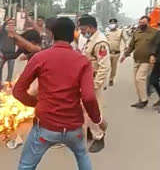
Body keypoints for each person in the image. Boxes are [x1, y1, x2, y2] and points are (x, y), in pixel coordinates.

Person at [13, 17, 107, 170]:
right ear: (73, 35)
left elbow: (18, 91)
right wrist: (98, 120)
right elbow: (89, 97)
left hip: (45, 127)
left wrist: (37, 103)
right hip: (73, 128)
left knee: (26, 165)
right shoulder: (82, 61)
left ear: (52, 35)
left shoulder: (40, 58)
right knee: (82, 156)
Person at [78, 15, 110, 153]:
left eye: (82, 28)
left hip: (93, 80)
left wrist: (95, 84)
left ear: (90, 27)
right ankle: (95, 129)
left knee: (91, 110)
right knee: (86, 109)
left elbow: (104, 66)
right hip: (87, 79)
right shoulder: (91, 40)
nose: (81, 31)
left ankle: (99, 137)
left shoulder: (100, 42)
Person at [121, 16, 159, 109]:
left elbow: (157, 46)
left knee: (140, 78)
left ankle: (144, 100)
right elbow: (131, 46)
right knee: (136, 81)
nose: (141, 24)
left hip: (147, 61)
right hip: (137, 60)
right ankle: (140, 100)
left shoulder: (155, 33)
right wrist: (125, 55)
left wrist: (153, 56)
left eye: (144, 22)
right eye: (140, 22)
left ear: (148, 23)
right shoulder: (136, 32)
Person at [106, 18, 128, 86]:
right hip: (107, 52)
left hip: (116, 53)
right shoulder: (106, 32)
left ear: (116, 24)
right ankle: (103, 79)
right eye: (111, 23)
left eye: (113, 23)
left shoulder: (121, 31)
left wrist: (126, 46)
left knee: (113, 67)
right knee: (106, 66)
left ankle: (111, 79)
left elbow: (126, 39)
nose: (112, 25)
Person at [0, 19, 16, 86]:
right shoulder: (3, 32)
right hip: (2, 53)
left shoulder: (15, 33)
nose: (11, 25)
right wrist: (5, 21)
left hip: (12, 53)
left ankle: (8, 81)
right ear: (7, 25)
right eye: (9, 23)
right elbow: (1, 28)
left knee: (11, 68)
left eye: (13, 24)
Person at [149, 31, 160, 108]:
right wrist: (152, 54)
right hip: (159, 61)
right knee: (153, 80)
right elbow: (155, 45)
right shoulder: (158, 33)